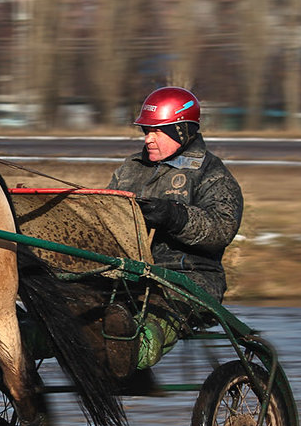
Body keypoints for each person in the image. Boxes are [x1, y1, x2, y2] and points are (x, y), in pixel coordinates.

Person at [102, 86, 244, 376]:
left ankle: (132, 351)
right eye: (145, 130)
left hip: (189, 282)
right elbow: (105, 214)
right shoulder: (130, 169)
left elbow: (222, 228)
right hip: (129, 276)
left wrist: (173, 216)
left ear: (181, 131)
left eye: (157, 131)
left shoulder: (211, 174)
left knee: (155, 314)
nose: (148, 138)